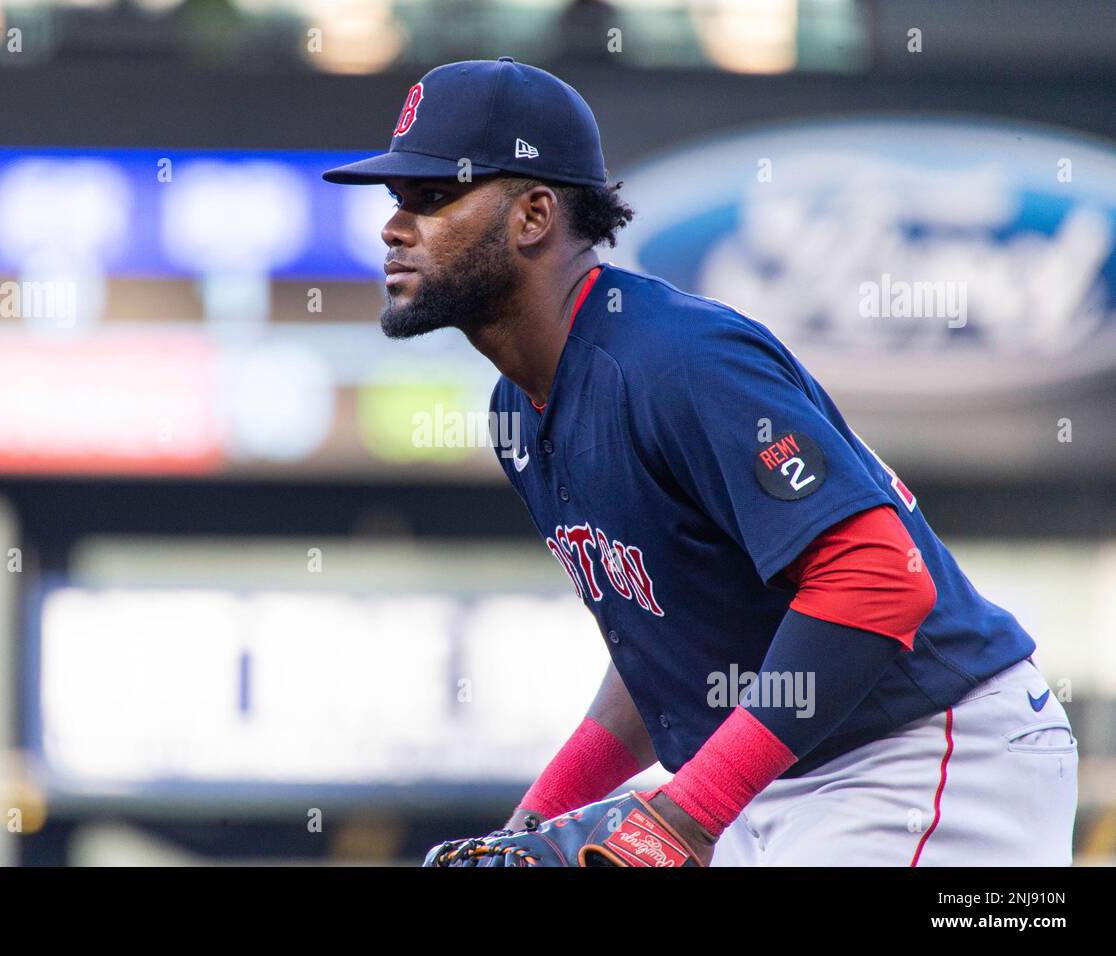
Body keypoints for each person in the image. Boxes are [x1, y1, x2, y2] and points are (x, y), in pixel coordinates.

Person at [322, 57, 1078, 866]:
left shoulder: (678, 359)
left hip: (927, 749)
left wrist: (685, 815)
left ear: (534, 215)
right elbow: (667, 650)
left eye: (432, 198)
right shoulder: (518, 411)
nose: (394, 226)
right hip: (784, 773)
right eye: (399, 200)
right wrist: (532, 821)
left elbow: (881, 579)